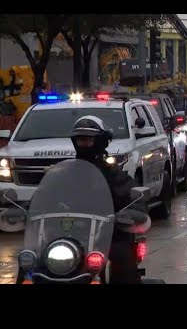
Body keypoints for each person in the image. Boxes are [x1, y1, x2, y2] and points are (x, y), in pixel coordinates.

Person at [70, 115, 141, 284]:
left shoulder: (112, 173)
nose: (84, 144)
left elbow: (131, 195)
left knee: (121, 257)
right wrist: (31, 210)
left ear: (100, 141)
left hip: (107, 236)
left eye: (88, 140)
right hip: (69, 234)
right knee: (32, 260)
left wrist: (132, 212)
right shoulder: (66, 172)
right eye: (80, 140)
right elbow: (48, 194)